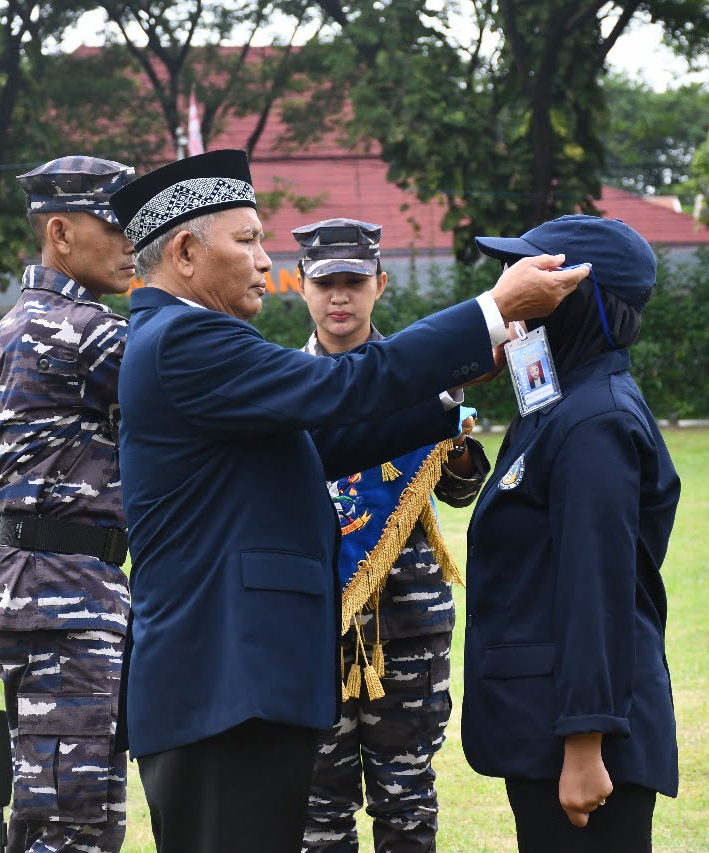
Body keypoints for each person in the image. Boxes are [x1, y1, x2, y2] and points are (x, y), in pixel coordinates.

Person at [107, 149, 589, 853]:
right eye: (246, 241)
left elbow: (320, 441)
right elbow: (341, 389)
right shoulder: (185, 340)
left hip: (238, 687)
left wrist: (451, 390)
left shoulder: (185, 338)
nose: (263, 261)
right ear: (184, 251)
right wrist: (493, 310)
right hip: (223, 690)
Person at [461, 214, 681, 852]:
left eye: (532, 277)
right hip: (548, 725)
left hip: (583, 742)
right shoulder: (560, 402)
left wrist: (585, 745)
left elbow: (597, 589)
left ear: (576, 301)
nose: (513, 290)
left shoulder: (595, 423)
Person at [292, 218, 491, 852]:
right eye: (326, 284)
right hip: (312, 624)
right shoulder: (280, 386)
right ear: (301, 288)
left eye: (354, 282)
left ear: (380, 284)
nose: (340, 297)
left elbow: (456, 493)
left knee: (406, 798)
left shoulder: (420, 375)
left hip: (406, 620)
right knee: (318, 807)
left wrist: (456, 450)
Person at [0, 156, 136, 853]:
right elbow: (195, 381)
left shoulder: (10, 329)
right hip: (64, 596)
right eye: (116, 225)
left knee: (75, 812)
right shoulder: (84, 331)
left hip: (40, 590)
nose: (134, 242)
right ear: (61, 233)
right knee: (74, 825)